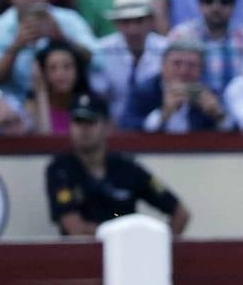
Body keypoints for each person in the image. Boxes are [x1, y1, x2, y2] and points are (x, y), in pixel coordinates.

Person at [45, 91, 191, 236]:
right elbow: (75, 229)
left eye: (90, 122)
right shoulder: (60, 170)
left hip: (129, 256)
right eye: (78, 122)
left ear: (107, 126)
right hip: (84, 257)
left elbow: (180, 213)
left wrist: (157, 249)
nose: (83, 129)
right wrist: (124, 238)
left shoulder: (127, 167)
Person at [90, 0, 169, 125]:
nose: (133, 29)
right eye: (126, 21)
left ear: (150, 20)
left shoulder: (166, 49)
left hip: (157, 128)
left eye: (139, 20)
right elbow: (98, 97)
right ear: (116, 23)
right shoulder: (101, 50)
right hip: (112, 129)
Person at [123, 39, 234, 132]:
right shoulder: (144, 91)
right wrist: (163, 114)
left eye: (191, 65)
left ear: (202, 70)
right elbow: (126, 126)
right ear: (163, 66)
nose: (183, 71)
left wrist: (217, 115)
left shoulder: (207, 93)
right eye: (177, 63)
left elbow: (232, 129)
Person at [169, 0, 243, 94]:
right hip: (194, 105)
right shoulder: (180, 36)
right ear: (199, 4)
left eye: (224, 1)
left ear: (233, 5)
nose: (216, 7)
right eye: (209, 1)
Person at [25, 41, 90, 134]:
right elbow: (44, 141)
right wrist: (41, 92)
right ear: (43, 73)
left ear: (78, 70)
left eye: (67, 67)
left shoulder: (91, 103)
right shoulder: (32, 105)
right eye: (52, 68)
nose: (60, 74)